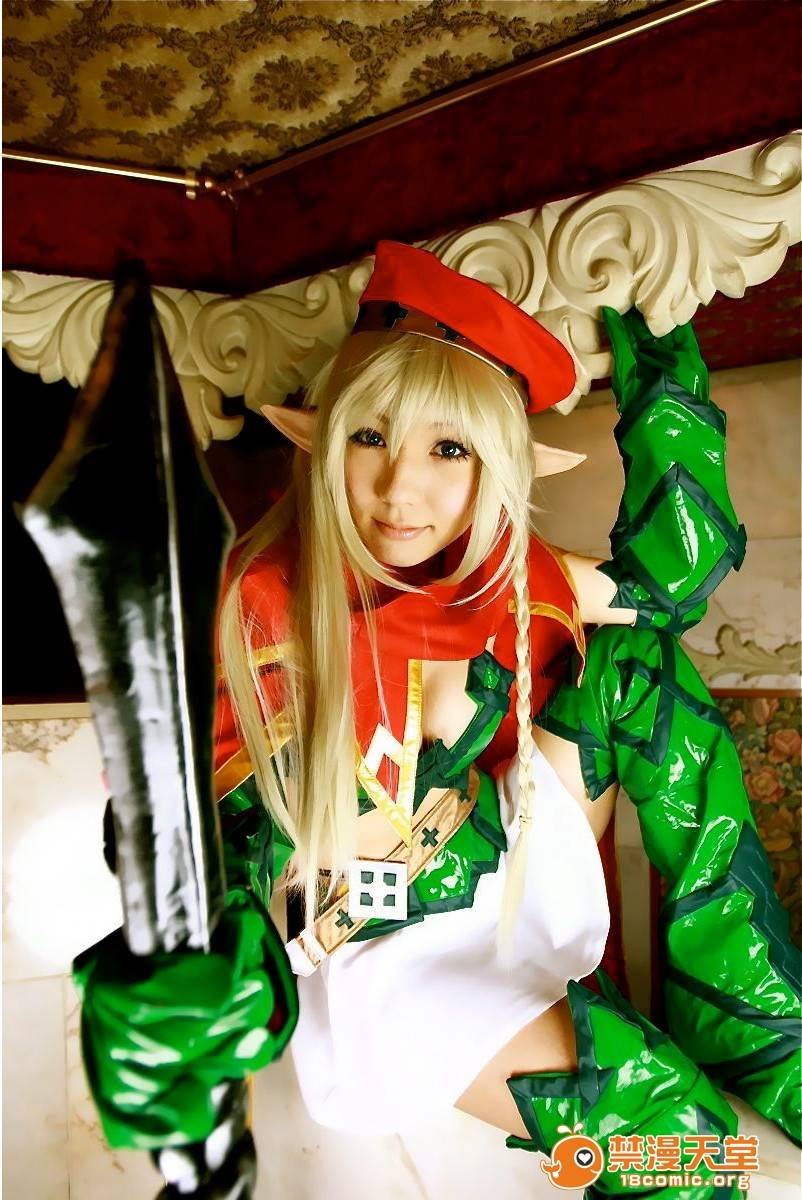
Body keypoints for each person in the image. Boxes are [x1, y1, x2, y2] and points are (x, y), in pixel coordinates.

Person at [76, 241, 800, 1195]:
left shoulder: (505, 576)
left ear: (493, 465)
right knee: (689, 1145)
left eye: (448, 448)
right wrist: (201, 990)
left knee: (638, 667)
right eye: (370, 437)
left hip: (497, 864)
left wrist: (665, 394)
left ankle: (765, 1034)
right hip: (385, 954)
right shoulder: (265, 606)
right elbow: (237, 853)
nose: (398, 489)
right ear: (328, 443)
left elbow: (665, 589)